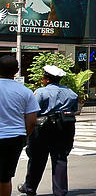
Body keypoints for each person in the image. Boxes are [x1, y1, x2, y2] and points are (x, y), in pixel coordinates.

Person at [19, 65, 78, 196]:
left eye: (43, 78)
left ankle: (30, 187)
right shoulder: (71, 93)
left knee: (37, 159)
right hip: (64, 127)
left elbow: (32, 110)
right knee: (60, 159)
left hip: (43, 128)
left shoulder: (41, 92)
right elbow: (74, 109)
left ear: (47, 80)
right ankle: (60, 191)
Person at [0, 56, 38, 196]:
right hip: (14, 137)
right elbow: (32, 121)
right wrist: (24, 137)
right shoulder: (25, 92)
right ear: (16, 71)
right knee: (5, 177)